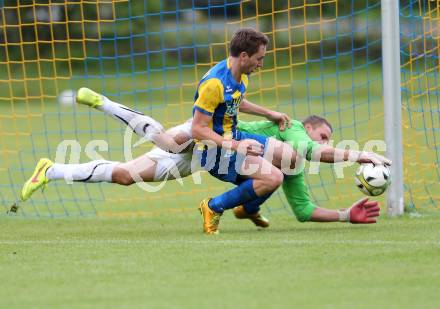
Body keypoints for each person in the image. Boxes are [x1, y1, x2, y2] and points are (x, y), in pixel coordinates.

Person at [19, 87, 387, 228]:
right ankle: (103, 102)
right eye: (324, 134)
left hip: (205, 159)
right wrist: (361, 155)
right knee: (169, 139)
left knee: (125, 176)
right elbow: (312, 150)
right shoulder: (291, 133)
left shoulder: (292, 168)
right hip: (210, 135)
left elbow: (305, 211)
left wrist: (345, 215)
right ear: (309, 127)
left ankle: (51, 171)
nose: (324, 141)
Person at [191, 28, 294, 234]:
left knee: (290, 158)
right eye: (259, 59)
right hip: (214, 151)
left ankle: (248, 207)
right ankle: (213, 207)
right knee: (273, 178)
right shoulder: (214, 84)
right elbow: (197, 129)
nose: (261, 64)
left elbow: (236, 101)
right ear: (244, 56)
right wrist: (237, 146)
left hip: (234, 138)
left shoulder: (239, 73)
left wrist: (268, 113)